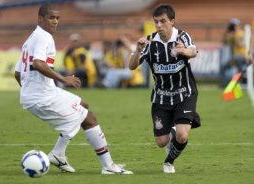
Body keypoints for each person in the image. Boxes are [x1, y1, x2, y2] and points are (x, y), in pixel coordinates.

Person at [14, 4, 132, 175]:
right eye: (51, 17)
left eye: (57, 18)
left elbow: (18, 73)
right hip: (42, 96)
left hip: (42, 93)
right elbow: (38, 64)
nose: (55, 21)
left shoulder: (31, 39)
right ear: (40, 19)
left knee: (83, 105)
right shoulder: (44, 37)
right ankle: (109, 166)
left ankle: (58, 154)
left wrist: (29, 92)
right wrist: (64, 79)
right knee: (89, 119)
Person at [129, 4, 201, 174]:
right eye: (156, 22)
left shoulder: (182, 36)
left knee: (182, 136)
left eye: (163, 21)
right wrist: (137, 50)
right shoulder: (149, 42)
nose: (159, 25)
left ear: (172, 22)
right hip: (161, 97)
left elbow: (193, 51)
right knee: (161, 141)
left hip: (185, 93)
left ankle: (168, 162)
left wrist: (183, 51)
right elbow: (131, 66)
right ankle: (177, 127)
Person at [220, 18, 248, 87]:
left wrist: (234, 36)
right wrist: (227, 33)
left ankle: (239, 83)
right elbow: (225, 42)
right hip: (235, 57)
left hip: (241, 55)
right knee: (223, 67)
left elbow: (241, 44)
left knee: (240, 69)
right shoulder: (231, 34)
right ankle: (225, 84)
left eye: (234, 25)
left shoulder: (240, 33)